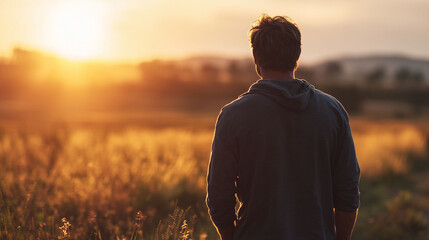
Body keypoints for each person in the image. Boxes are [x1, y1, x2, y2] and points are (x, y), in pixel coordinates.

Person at [206, 14, 360, 240]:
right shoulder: (332, 111)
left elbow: (219, 196)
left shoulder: (233, 115)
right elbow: (347, 192)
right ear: (296, 55)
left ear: (256, 57)